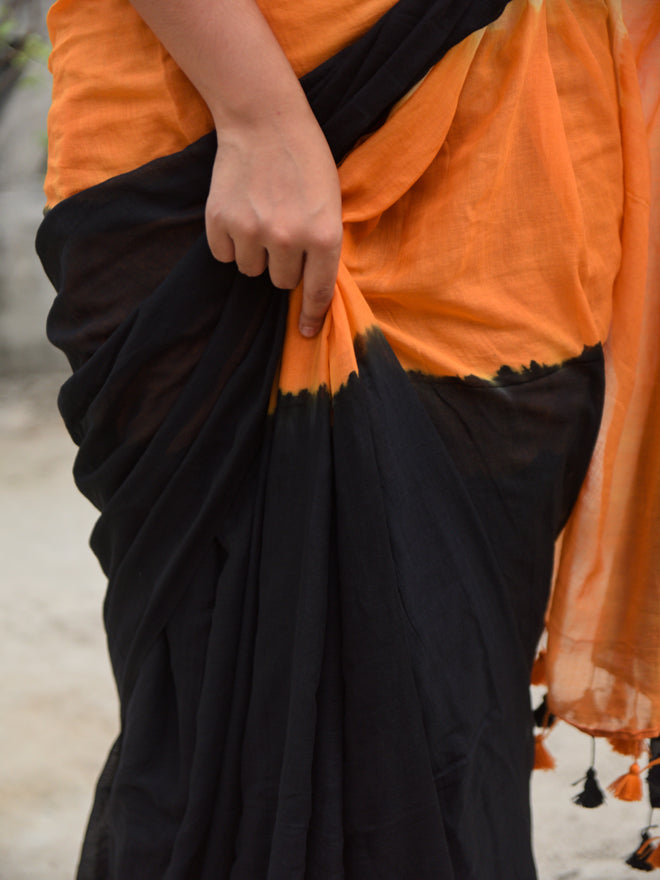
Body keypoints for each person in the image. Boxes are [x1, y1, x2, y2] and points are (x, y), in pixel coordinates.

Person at [37, 0, 659, 877]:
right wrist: (258, 113)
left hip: (517, 177)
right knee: (219, 733)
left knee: (452, 732)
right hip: (222, 139)